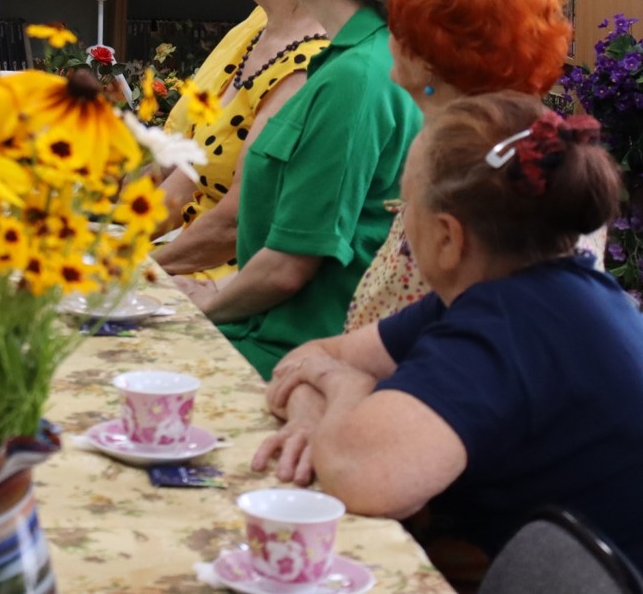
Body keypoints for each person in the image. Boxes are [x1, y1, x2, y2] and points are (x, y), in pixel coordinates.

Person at [252, 94, 643, 580]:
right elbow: (314, 356)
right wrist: (312, 419)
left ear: (447, 237)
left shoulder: (507, 326)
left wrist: (347, 388)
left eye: (403, 204)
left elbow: (360, 478)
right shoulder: (526, 290)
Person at [177, 0, 420, 378]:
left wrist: (197, 307)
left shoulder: (355, 78)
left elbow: (289, 267)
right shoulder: (353, 57)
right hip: (268, 328)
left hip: (287, 349)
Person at [343, 0, 579, 329]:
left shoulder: (463, 166)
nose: (389, 39)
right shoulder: (537, 142)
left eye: (397, 30)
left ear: (427, 61)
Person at [153, 0, 333, 279]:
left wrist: (130, 272)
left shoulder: (307, 66)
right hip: (185, 258)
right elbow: (186, 177)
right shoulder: (256, 31)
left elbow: (236, 222)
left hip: (228, 279)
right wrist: (108, 242)